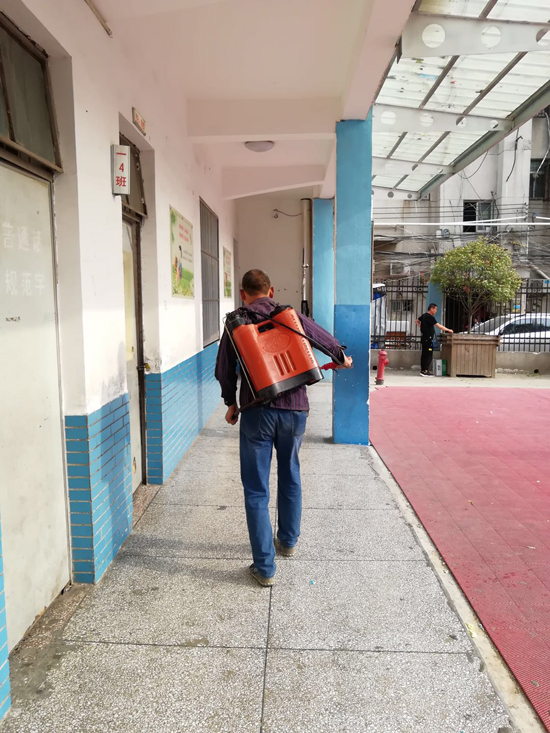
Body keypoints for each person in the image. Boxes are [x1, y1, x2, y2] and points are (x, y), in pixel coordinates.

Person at [215, 269, 352, 586]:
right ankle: (288, 541)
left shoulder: (236, 323)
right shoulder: (287, 314)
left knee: (256, 489)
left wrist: (230, 403)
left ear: (242, 294)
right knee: (290, 473)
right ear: (271, 290)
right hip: (294, 409)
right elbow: (320, 337)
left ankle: (265, 569)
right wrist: (341, 356)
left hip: (256, 411)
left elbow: (224, 370)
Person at [415, 303, 453, 377]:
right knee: (428, 355)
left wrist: (422, 327)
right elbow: (438, 326)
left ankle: (423, 370)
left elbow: (417, 321)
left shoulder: (424, 315)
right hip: (428, 339)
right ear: (431, 308)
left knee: (424, 354)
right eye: (435, 309)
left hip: (424, 338)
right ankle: (425, 371)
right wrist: (448, 330)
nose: (436, 311)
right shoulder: (430, 317)